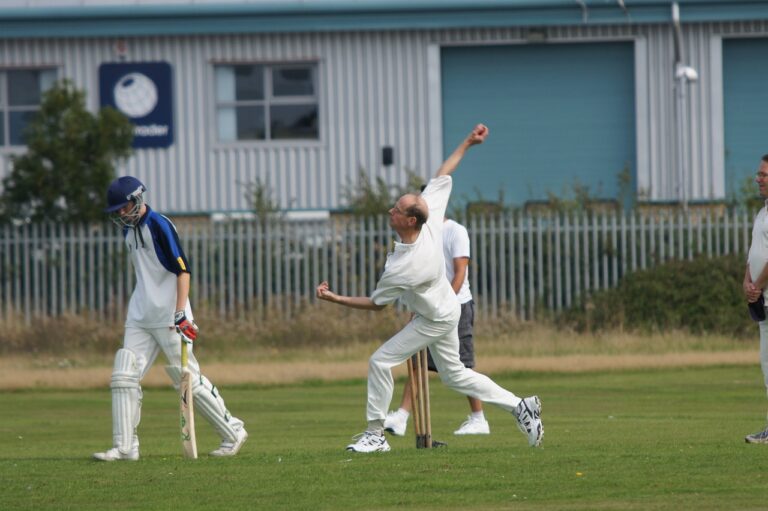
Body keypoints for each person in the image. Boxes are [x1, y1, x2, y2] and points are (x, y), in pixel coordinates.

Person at [316, 124, 542, 452]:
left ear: (410, 220)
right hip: (445, 309)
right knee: (456, 377)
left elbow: (377, 304)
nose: (390, 211)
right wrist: (468, 142)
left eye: (396, 209)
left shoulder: (404, 266)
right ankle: (521, 406)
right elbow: (442, 173)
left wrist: (334, 298)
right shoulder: (430, 213)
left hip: (435, 318)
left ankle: (376, 435)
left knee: (380, 361)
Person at [93, 176, 247, 461]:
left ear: (137, 199)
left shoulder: (160, 225)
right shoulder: (128, 232)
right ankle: (126, 446)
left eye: (123, 208)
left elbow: (183, 270)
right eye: (116, 210)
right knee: (125, 374)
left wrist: (180, 312)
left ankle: (233, 431)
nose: (119, 214)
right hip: (139, 315)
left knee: (188, 380)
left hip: (169, 316)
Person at [384, 216, 490, 436]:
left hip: (456, 306)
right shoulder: (422, 234)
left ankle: (479, 419)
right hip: (430, 309)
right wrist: (419, 308)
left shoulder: (455, 231)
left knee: (463, 366)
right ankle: (401, 418)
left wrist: (446, 303)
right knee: (417, 363)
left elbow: (460, 271)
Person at [744, 155, 768, 443]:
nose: (758, 178)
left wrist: (758, 284)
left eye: (763, 174)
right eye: (758, 173)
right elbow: (755, 253)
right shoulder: (762, 213)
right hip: (763, 299)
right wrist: (746, 282)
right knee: (767, 365)